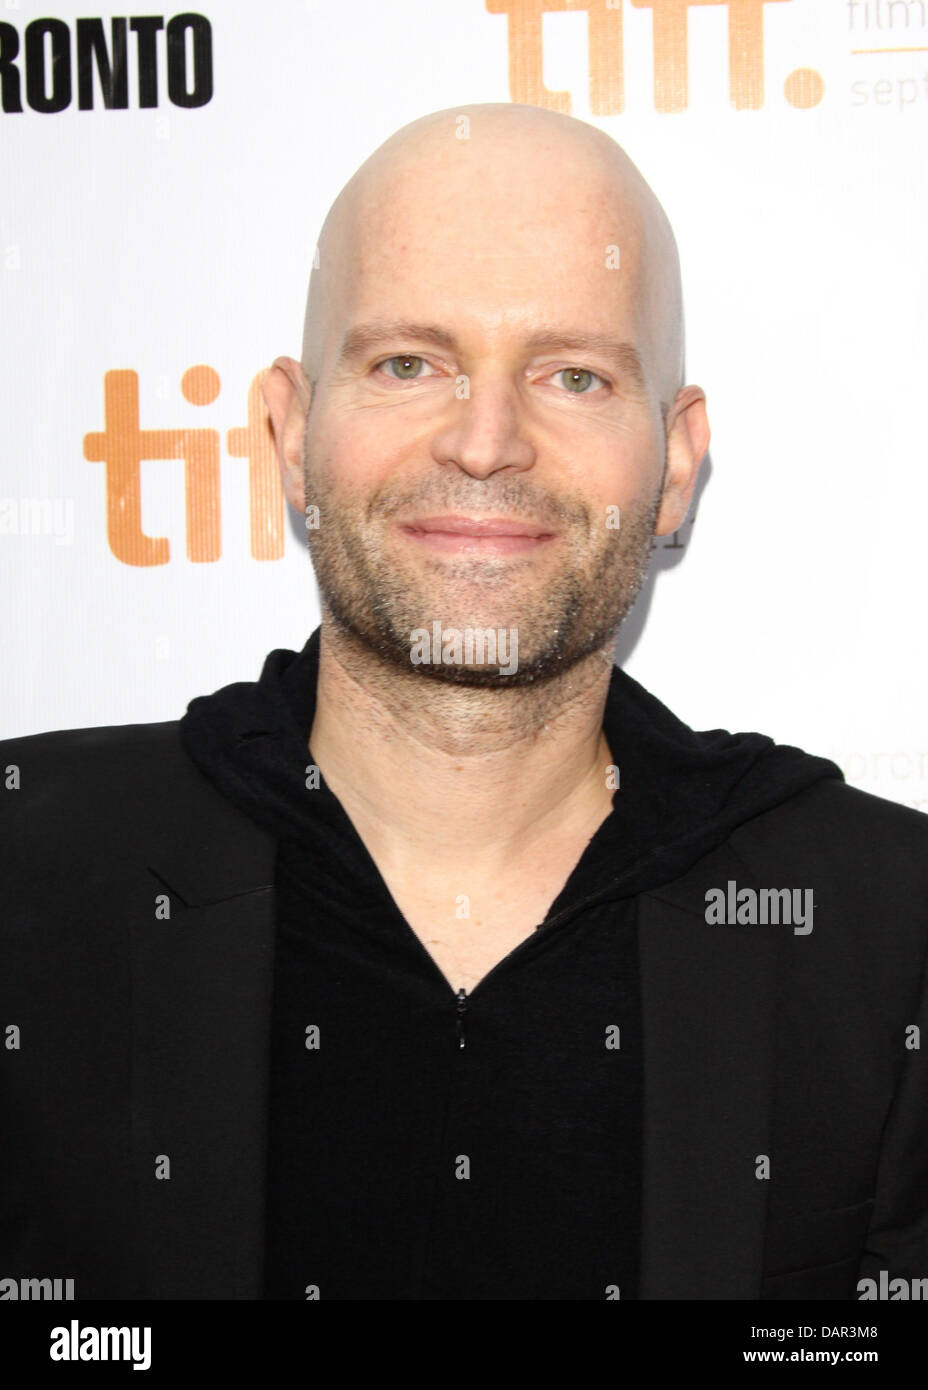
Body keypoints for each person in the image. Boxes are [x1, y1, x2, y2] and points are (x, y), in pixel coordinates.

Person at [1, 103, 926, 1302]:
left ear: (674, 462)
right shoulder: (27, 873)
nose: (486, 442)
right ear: (289, 434)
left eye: (574, 374)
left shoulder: (887, 931)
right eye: (407, 364)